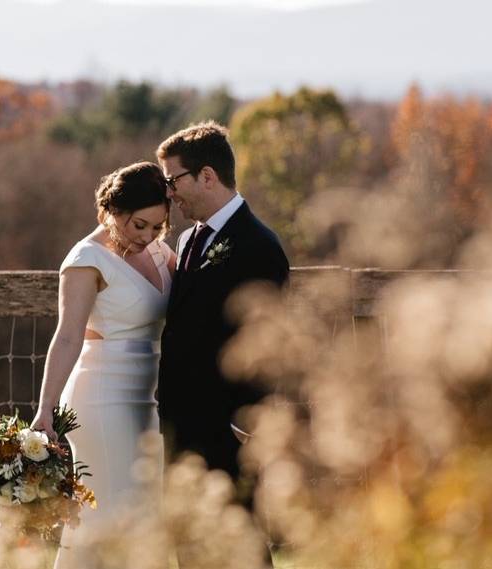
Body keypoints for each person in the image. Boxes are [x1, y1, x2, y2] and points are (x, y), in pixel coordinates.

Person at [31, 161, 176, 568]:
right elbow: (67, 336)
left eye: (157, 227)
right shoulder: (86, 259)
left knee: (146, 513)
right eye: (138, 225)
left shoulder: (162, 251)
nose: (147, 236)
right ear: (112, 213)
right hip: (102, 397)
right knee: (109, 515)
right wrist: (46, 408)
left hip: (148, 400)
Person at [156, 121, 290, 493]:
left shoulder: (258, 244)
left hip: (228, 428)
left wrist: (249, 423)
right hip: (181, 423)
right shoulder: (186, 240)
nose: (169, 193)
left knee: (240, 543)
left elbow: (269, 339)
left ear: (208, 176)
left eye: (174, 180)